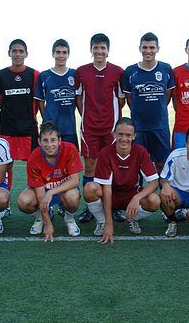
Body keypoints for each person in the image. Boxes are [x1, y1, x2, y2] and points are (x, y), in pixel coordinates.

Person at [83, 117, 160, 244]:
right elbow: (106, 189)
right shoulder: (106, 153)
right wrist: (109, 223)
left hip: (131, 194)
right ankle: (102, 222)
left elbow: (154, 183)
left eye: (128, 135)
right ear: (114, 134)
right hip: (111, 194)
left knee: (154, 200)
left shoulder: (140, 151)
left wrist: (137, 198)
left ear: (134, 136)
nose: (124, 139)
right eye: (120, 134)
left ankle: (132, 217)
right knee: (89, 188)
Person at [75, 33, 125, 223]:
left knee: (111, 167)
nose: (99, 51)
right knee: (90, 167)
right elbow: (79, 98)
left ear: (108, 50)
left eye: (103, 48)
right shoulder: (81, 71)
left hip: (111, 129)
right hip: (89, 128)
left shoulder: (118, 71)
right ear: (91, 50)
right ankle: (91, 207)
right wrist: (87, 116)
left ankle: (112, 207)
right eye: (96, 48)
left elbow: (121, 99)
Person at [17, 121, 83, 241]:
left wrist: (51, 192)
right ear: (39, 142)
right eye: (45, 140)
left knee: (73, 196)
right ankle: (40, 218)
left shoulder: (70, 149)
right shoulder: (34, 158)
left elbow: (74, 181)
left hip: (64, 191)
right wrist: (48, 223)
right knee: (23, 201)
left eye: (53, 140)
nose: (49, 144)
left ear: (59, 140)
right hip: (43, 192)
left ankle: (69, 218)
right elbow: (40, 192)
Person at [0, 39, 40, 202]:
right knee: (6, 166)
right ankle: (3, 202)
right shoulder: (0, 76)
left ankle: (35, 200)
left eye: (21, 51)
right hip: (7, 128)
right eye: (14, 51)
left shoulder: (35, 75)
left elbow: (39, 101)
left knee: (34, 165)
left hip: (29, 128)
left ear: (26, 54)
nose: (17, 54)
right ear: (9, 53)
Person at [122, 32, 175, 174]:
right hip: (139, 128)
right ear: (139, 48)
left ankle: (163, 193)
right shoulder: (130, 71)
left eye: (152, 47)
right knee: (137, 164)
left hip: (160, 127)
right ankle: (138, 193)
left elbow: (167, 97)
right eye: (145, 47)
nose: (148, 51)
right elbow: (129, 99)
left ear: (158, 49)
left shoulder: (166, 69)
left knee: (162, 164)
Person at [35, 39, 78, 149]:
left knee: (71, 161)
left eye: (64, 52)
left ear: (68, 54)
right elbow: (40, 101)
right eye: (58, 52)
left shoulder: (75, 74)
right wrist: (47, 119)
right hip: (50, 129)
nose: (61, 55)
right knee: (50, 161)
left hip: (69, 128)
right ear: (53, 54)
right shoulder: (44, 76)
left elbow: (79, 99)